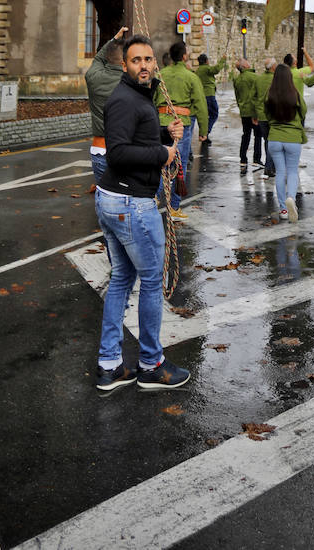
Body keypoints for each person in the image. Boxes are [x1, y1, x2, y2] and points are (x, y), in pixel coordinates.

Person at [94, 33, 189, 394]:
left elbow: (136, 137)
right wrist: (163, 155)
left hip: (117, 201)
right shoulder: (123, 100)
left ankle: (109, 366)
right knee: (150, 282)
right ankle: (151, 365)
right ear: (125, 65)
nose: (145, 66)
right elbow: (117, 152)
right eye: (137, 60)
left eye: (149, 60)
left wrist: (165, 133)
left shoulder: (138, 97)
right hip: (130, 204)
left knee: (121, 279)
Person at [156, 41, 208, 213]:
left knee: (158, 162)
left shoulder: (160, 74)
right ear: (184, 56)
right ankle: (174, 207)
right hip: (181, 125)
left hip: (161, 122)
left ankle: (153, 198)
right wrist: (203, 130)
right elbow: (201, 105)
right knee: (179, 165)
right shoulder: (191, 77)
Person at [264, 62, 308, 222]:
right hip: (292, 138)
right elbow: (303, 111)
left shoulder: (269, 94)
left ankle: (283, 208)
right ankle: (291, 199)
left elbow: (266, 114)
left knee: (280, 173)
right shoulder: (294, 94)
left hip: (274, 138)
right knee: (292, 172)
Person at [84, 24, 128, 184]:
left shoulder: (92, 76)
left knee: (104, 195)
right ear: (126, 61)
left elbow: (98, 58)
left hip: (99, 148)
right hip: (125, 149)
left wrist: (114, 39)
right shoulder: (131, 83)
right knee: (127, 198)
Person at [232, 57, 262, 171]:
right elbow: (257, 96)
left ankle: (243, 159)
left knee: (246, 135)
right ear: (245, 66)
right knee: (258, 136)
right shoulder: (254, 77)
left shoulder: (237, 79)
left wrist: (241, 107)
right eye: (247, 61)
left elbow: (237, 96)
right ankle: (256, 159)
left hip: (244, 111)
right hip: (253, 111)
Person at [194, 53, 226, 143]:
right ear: (206, 61)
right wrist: (222, 60)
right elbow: (216, 69)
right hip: (209, 95)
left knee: (205, 116)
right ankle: (205, 132)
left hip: (202, 95)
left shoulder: (198, 70)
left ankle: (205, 134)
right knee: (214, 114)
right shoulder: (206, 68)